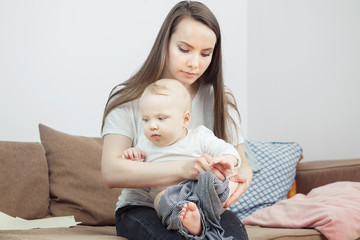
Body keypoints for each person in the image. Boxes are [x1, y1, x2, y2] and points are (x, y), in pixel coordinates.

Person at [101, 1, 253, 239]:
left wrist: (237, 183)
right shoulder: (129, 98)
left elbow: (242, 163)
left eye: (205, 54)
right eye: (184, 49)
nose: (195, 63)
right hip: (143, 207)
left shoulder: (220, 99)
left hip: (203, 206)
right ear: (165, 44)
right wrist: (184, 169)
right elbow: (111, 172)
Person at [122, 79, 240, 239]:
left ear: (185, 119)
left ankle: (203, 215)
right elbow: (136, 173)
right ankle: (191, 224)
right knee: (159, 200)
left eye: (161, 118)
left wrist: (227, 158)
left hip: (202, 190)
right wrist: (133, 156)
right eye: (146, 119)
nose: (152, 126)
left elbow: (226, 149)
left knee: (227, 179)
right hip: (172, 196)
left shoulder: (199, 136)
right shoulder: (145, 144)